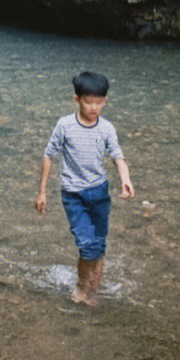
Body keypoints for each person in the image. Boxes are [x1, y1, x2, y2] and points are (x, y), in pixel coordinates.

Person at [35, 69, 133, 304]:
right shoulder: (65, 125)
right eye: (88, 102)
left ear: (105, 102)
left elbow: (117, 156)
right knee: (87, 245)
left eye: (99, 103)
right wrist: (42, 191)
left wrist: (125, 179)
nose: (93, 108)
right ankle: (81, 286)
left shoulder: (106, 128)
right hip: (73, 194)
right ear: (76, 99)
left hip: (99, 192)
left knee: (98, 243)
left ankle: (94, 290)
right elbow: (49, 155)